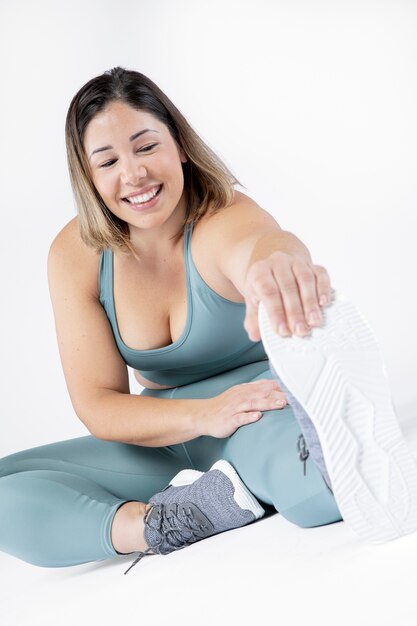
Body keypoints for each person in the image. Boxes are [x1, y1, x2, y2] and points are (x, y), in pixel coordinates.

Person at [1, 67, 415, 574]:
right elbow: (98, 405)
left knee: (310, 496)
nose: (133, 175)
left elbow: (260, 246)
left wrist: (279, 265)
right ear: (88, 178)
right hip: (165, 436)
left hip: (258, 409)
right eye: (108, 161)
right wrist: (201, 415)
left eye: (146, 146)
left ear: (179, 144)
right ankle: (169, 520)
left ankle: (333, 445)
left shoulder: (222, 215)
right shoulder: (76, 253)